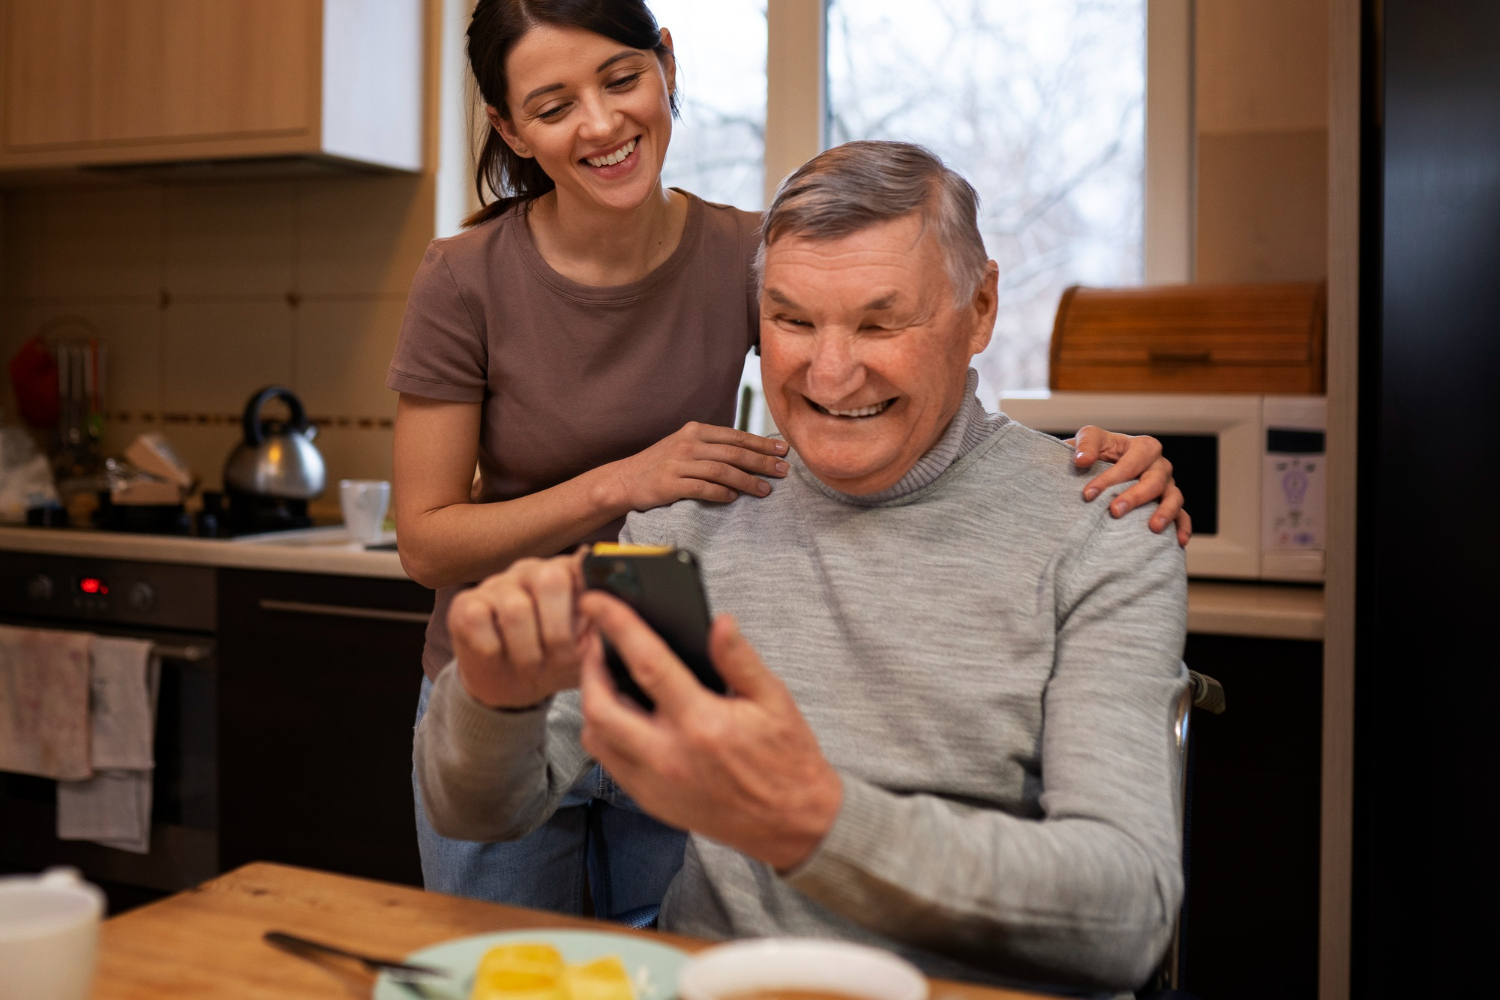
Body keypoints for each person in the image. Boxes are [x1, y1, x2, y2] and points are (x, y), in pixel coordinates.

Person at [387, 0, 1191, 922]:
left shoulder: (1097, 529)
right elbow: (481, 787)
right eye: (793, 322)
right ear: (510, 128)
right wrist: (492, 697)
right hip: (548, 664)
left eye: (878, 320)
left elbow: (1123, 909)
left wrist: (1064, 475)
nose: (831, 364)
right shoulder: (677, 523)